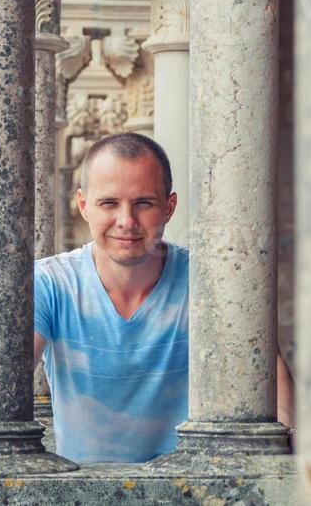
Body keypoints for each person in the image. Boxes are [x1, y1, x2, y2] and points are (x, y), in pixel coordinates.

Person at [33, 132, 295, 464]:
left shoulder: (209, 280)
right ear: (84, 205)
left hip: (191, 492)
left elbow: (269, 375)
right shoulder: (50, 283)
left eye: (143, 203)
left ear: (169, 207)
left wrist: (288, 464)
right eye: (109, 203)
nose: (126, 221)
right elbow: (1, 382)